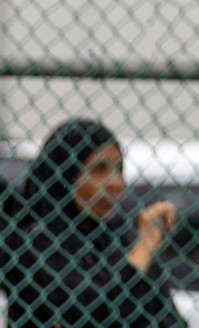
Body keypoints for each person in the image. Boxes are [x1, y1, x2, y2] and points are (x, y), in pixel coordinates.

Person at [0, 118, 186, 328]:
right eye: (99, 169)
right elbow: (87, 315)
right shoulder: (32, 242)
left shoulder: (120, 239)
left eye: (118, 169)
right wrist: (141, 252)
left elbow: (171, 321)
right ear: (65, 173)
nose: (115, 183)